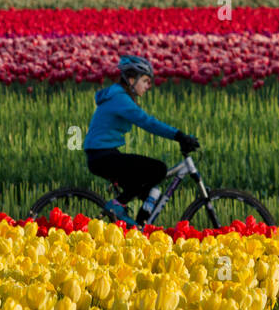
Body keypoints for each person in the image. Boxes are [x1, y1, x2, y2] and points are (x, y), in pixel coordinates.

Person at [84, 55, 200, 223]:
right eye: (145, 81)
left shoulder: (119, 96)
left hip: (102, 155)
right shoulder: (120, 99)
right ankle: (118, 205)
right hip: (103, 157)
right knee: (158, 169)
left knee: (149, 191)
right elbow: (147, 122)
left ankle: (138, 227)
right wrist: (179, 135)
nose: (149, 86)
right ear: (131, 80)